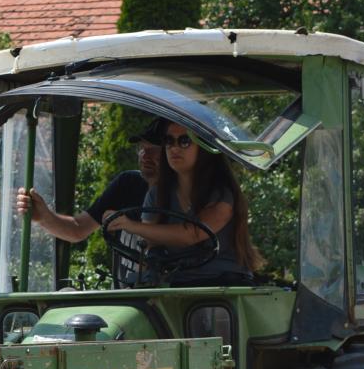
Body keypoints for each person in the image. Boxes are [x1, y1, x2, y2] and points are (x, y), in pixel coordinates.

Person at [105, 121, 264, 286]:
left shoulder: (221, 194)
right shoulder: (156, 194)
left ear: (204, 148)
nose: (174, 148)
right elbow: (151, 245)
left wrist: (128, 224)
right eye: (168, 141)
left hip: (222, 287)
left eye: (184, 141)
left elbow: (191, 234)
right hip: (176, 284)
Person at [16, 118, 165, 284]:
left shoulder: (181, 199)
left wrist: (129, 225)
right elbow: (78, 229)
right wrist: (44, 217)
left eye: (154, 150)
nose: (145, 155)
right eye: (142, 148)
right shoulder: (128, 183)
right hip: (126, 301)